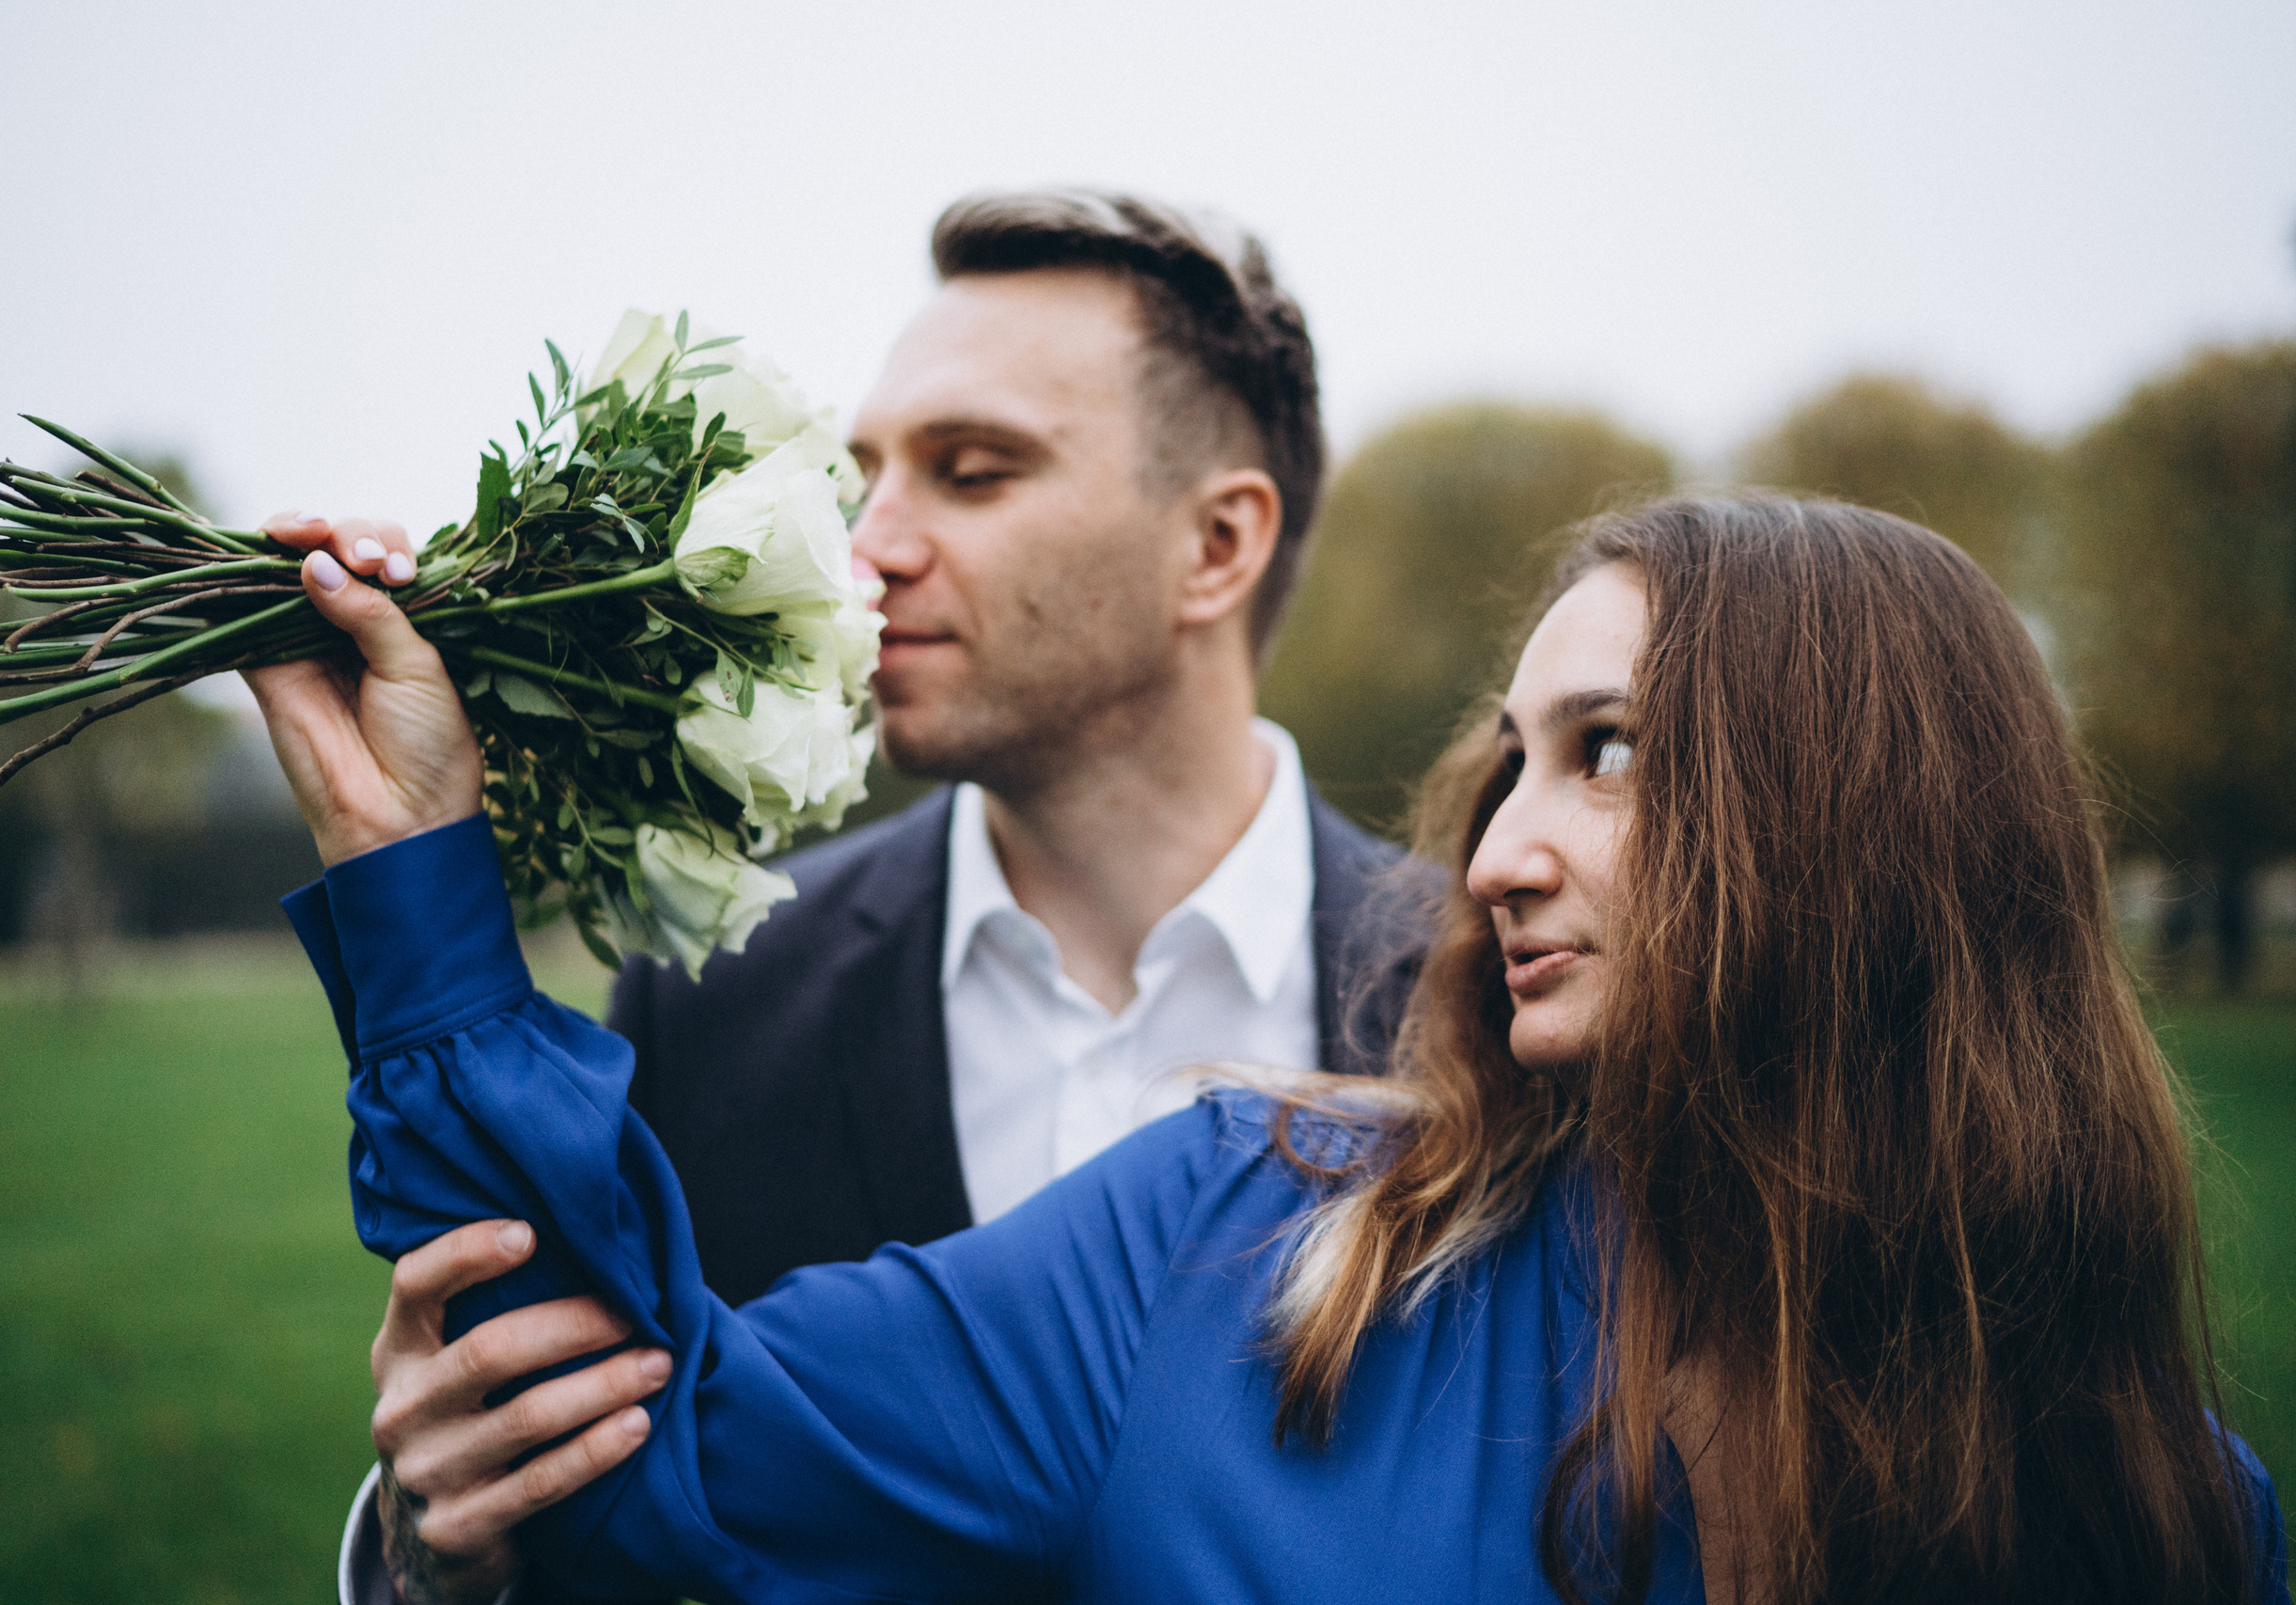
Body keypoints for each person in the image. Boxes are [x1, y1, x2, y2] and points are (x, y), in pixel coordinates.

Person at [271, 493, 2288, 1603]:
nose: (1496, 851)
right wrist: (413, 867)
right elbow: (654, 1435)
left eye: (1612, 752)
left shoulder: (2163, 1512)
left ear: (1869, 820)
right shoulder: (1235, 1237)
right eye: (1513, 760)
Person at [255, 191, 1433, 1604]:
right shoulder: (719, 996)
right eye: (868, 473)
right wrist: (438, 1556)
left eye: (975, 471)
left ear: (1218, 546)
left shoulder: (1486, 1003)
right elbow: (607, 1521)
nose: (866, 545)